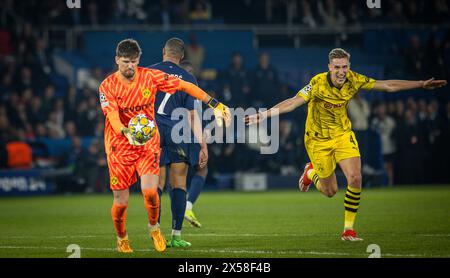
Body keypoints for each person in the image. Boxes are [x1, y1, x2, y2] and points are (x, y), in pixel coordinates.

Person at [246, 48, 447, 241]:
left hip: (342, 135)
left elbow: (388, 85)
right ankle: (310, 173)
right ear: (329, 67)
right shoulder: (317, 83)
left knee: (355, 177)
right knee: (330, 191)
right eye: (337, 67)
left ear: (348, 66)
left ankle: (348, 230)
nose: (341, 72)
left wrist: (420, 84)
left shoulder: (354, 79)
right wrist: (264, 114)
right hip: (317, 139)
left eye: (344, 67)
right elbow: (292, 102)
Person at [99, 38, 230, 253]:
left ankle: (155, 228)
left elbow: (184, 86)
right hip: (119, 145)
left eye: (133, 61)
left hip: (149, 141)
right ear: (116, 61)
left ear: (139, 59)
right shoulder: (107, 85)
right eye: (125, 62)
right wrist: (126, 131)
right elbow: (112, 116)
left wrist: (214, 103)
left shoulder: (150, 75)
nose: (130, 66)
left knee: (151, 190)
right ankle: (122, 238)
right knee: (121, 201)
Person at [151, 38, 207, 247]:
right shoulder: (189, 78)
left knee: (157, 182)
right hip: (177, 132)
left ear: (163, 51)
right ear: (182, 57)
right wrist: (202, 143)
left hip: (153, 129)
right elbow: (192, 115)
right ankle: (176, 236)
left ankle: (156, 232)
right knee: (179, 182)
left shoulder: (148, 72)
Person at [179, 60, 208, 229]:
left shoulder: (171, 89)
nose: (191, 75)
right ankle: (187, 207)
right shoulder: (193, 91)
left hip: (173, 137)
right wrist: (203, 142)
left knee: (177, 176)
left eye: (192, 72)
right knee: (201, 169)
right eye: (188, 71)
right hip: (189, 137)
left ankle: (174, 221)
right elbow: (194, 117)